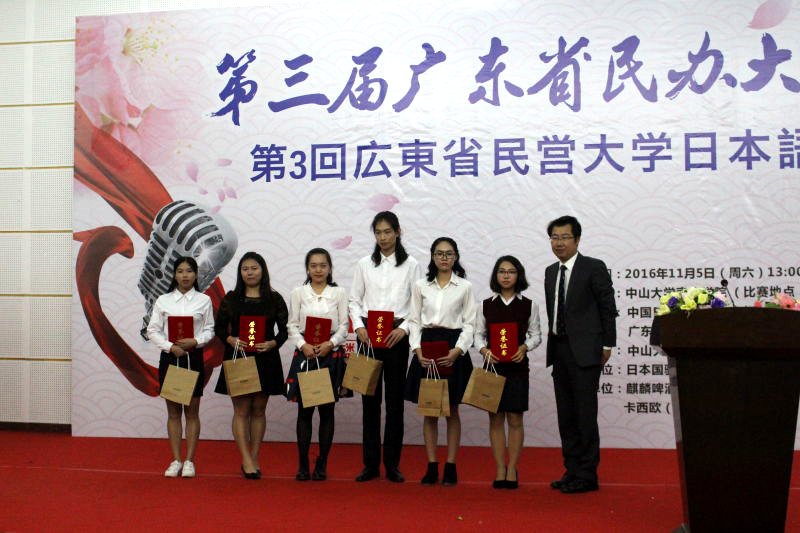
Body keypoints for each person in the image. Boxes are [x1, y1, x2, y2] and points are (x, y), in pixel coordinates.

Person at [544, 216, 616, 494]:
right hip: (559, 350)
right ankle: (571, 470)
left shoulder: (593, 267)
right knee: (566, 416)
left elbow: (607, 308)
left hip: (586, 352)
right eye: (554, 237)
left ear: (577, 240)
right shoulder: (551, 271)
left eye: (564, 237)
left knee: (584, 414)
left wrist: (607, 344)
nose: (559, 243)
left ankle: (587, 475)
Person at [349, 211, 421, 483]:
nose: (383, 237)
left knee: (394, 403)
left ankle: (392, 464)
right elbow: (354, 300)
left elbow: (417, 304)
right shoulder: (364, 264)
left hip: (395, 337)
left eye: (387, 232)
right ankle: (370, 464)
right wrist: (358, 327)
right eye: (378, 232)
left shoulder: (411, 265)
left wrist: (404, 329)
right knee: (369, 402)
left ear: (398, 232)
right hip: (368, 336)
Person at [405, 237, 476, 487]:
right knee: (430, 409)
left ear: (456, 257)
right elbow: (414, 320)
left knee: (452, 410)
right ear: (432, 257)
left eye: (448, 254)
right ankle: (432, 465)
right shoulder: (421, 285)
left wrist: (458, 350)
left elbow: (470, 323)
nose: (444, 258)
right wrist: (417, 350)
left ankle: (451, 465)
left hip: (453, 346)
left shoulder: (464, 286)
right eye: (439, 253)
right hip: (427, 346)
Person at [214, 252, 288, 479]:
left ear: (262, 270)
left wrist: (273, 343)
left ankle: (254, 457)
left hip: (265, 358)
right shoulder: (231, 298)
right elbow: (219, 328)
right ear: (240, 273)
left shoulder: (274, 299)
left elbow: (285, 330)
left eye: (254, 268)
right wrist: (230, 339)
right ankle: (246, 459)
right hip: (239, 357)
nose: (250, 272)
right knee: (241, 410)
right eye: (245, 269)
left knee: (258, 410)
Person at [475, 255, 541, 489]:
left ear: (518, 275)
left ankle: (512, 467)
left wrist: (524, 348)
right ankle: (499, 468)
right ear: (496, 275)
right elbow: (478, 335)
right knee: (495, 419)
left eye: (511, 271)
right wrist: (484, 350)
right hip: (493, 367)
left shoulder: (529, 305)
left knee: (515, 418)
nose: (506, 276)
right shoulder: (485, 305)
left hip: (517, 367)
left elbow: (536, 335)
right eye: (501, 271)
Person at [146, 256, 215, 478]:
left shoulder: (204, 300)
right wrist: (170, 347)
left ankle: (189, 461)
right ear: (174, 275)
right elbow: (152, 330)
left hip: (193, 358)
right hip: (170, 358)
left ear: (196, 275)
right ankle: (176, 460)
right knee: (173, 413)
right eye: (180, 271)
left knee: (192, 412)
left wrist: (195, 341)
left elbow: (210, 330)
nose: (185, 275)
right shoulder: (163, 300)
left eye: (189, 271)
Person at [285, 248, 349, 481]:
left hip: (329, 354)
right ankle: (303, 463)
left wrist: (331, 343)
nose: (318, 270)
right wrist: (303, 345)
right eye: (313, 265)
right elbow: (292, 325)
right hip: (306, 354)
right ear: (307, 268)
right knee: (305, 410)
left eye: (323, 265)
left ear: (330, 268)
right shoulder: (298, 293)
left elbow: (344, 325)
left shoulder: (339, 292)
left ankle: (322, 463)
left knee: (327, 411)